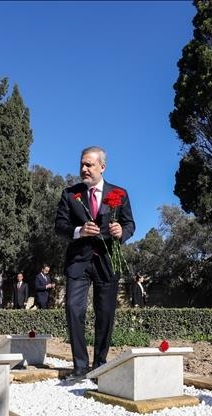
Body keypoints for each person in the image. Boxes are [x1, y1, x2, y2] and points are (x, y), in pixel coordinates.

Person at [55, 146, 135, 379]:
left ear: (102, 166)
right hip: (78, 261)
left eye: (89, 164)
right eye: (82, 164)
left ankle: (100, 364)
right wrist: (79, 230)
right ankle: (80, 366)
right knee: (73, 308)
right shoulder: (70, 194)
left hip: (107, 261)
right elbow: (59, 226)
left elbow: (130, 224)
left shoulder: (119, 193)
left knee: (106, 312)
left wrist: (122, 231)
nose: (84, 169)